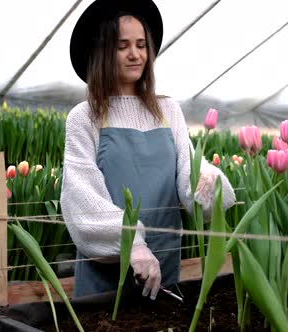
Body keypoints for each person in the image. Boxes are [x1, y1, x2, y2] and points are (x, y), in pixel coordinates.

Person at [61, 0, 236, 300]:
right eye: (123, 46)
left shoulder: (167, 110)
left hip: (164, 264)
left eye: (142, 45)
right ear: (103, 51)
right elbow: (81, 195)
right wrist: (132, 242)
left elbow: (187, 166)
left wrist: (204, 180)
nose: (135, 54)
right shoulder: (85, 116)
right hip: (106, 277)